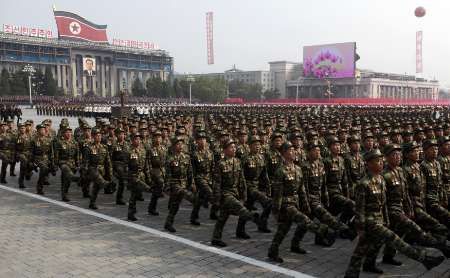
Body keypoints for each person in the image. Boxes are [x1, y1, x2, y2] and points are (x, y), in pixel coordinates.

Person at [344, 149, 444, 278]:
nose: (381, 163)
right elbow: (359, 209)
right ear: (369, 164)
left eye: (381, 161)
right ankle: (425, 259)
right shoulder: (363, 184)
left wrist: (386, 219)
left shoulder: (380, 179)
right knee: (394, 239)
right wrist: (360, 228)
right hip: (370, 222)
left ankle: (356, 271)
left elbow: (384, 203)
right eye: (377, 161)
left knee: (363, 248)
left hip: (380, 219)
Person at [268, 141, 334, 263]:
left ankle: (277, 249)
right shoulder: (280, 171)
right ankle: (324, 231)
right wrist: (276, 211)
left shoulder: (298, 169)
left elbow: (302, 190)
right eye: (290, 150)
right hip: (286, 205)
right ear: (284, 153)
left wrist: (306, 206)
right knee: (304, 221)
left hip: (296, 202)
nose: (294, 152)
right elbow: (277, 194)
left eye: (294, 150)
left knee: (283, 229)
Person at [211, 139, 261, 247]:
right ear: (224, 150)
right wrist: (216, 200)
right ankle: (253, 217)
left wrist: (244, 195)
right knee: (239, 208)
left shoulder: (238, 162)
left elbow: (242, 180)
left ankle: (216, 238)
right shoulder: (220, 164)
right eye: (231, 147)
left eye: (234, 147)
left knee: (223, 217)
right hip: (225, 193)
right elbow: (217, 184)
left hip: (235, 192)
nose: (234, 149)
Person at [164, 136, 195, 233]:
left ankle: (168, 223)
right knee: (188, 196)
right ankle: (195, 200)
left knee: (175, 205)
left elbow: (190, 172)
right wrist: (167, 187)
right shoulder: (170, 159)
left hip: (184, 183)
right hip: (175, 183)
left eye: (182, 144)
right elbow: (168, 175)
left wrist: (192, 183)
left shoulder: (187, 157)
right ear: (173, 146)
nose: (180, 146)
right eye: (178, 144)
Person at [127, 133, 151, 221]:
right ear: (132, 140)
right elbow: (126, 165)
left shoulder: (143, 151)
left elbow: (146, 165)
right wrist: (128, 177)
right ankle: (131, 213)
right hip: (133, 175)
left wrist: (148, 177)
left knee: (137, 194)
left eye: (139, 139)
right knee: (133, 195)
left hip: (141, 175)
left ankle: (133, 210)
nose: (138, 140)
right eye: (136, 139)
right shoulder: (129, 151)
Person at [54, 126, 79, 202]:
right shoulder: (60, 143)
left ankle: (64, 194)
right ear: (63, 134)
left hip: (72, 163)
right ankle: (74, 178)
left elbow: (77, 154)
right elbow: (56, 155)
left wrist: (78, 164)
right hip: (63, 162)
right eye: (67, 132)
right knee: (67, 171)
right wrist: (55, 164)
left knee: (66, 180)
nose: (68, 134)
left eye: (70, 132)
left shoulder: (74, 143)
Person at [30, 124, 54, 195]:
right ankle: (39, 187)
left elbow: (51, 152)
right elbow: (31, 152)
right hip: (38, 158)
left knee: (48, 170)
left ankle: (42, 180)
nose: (43, 131)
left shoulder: (49, 140)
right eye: (41, 130)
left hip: (46, 158)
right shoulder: (34, 140)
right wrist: (31, 162)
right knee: (44, 168)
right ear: (38, 131)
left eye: (43, 129)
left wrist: (53, 161)